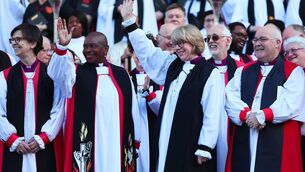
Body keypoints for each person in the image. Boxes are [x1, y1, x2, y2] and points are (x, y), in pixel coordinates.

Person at [121, 1, 223, 172]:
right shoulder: (172, 64)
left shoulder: (209, 72)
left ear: (195, 42)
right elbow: (148, 52)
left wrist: (205, 146)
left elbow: (212, 112)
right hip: (166, 135)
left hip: (192, 140)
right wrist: (130, 22)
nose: (178, 47)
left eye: (182, 42)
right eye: (176, 43)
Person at [48, 17, 141, 172]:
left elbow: (133, 111)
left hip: (117, 140)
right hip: (89, 142)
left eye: (93, 46)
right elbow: (55, 73)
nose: (87, 50)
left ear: (106, 49)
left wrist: (136, 140)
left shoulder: (122, 74)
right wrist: (62, 47)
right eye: (85, 47)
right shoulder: (75, 73)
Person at [225, 24, 305, 172]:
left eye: (263, 39)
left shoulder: (293, 71)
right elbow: (230, 97)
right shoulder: (243, 71)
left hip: (278, 141)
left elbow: (291, 103)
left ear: (278, 43)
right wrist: (247, 115)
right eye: (255, 40)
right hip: (245, 138)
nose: (257, 43)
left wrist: (263, 115)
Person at [0, 23, 64, 172]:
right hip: (15, 148)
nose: (14, 43)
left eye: (18, 39)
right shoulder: (4, 77)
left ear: (33, 43)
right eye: (12, 40)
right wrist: (12, 140)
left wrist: (44, 137)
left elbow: (59, 109)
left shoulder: (51, 75)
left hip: (43, 148)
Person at [283, 36, 305, 172]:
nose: (290, 54)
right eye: (286, 52)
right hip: (295, 135)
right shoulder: (286, 76)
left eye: (294, 50)